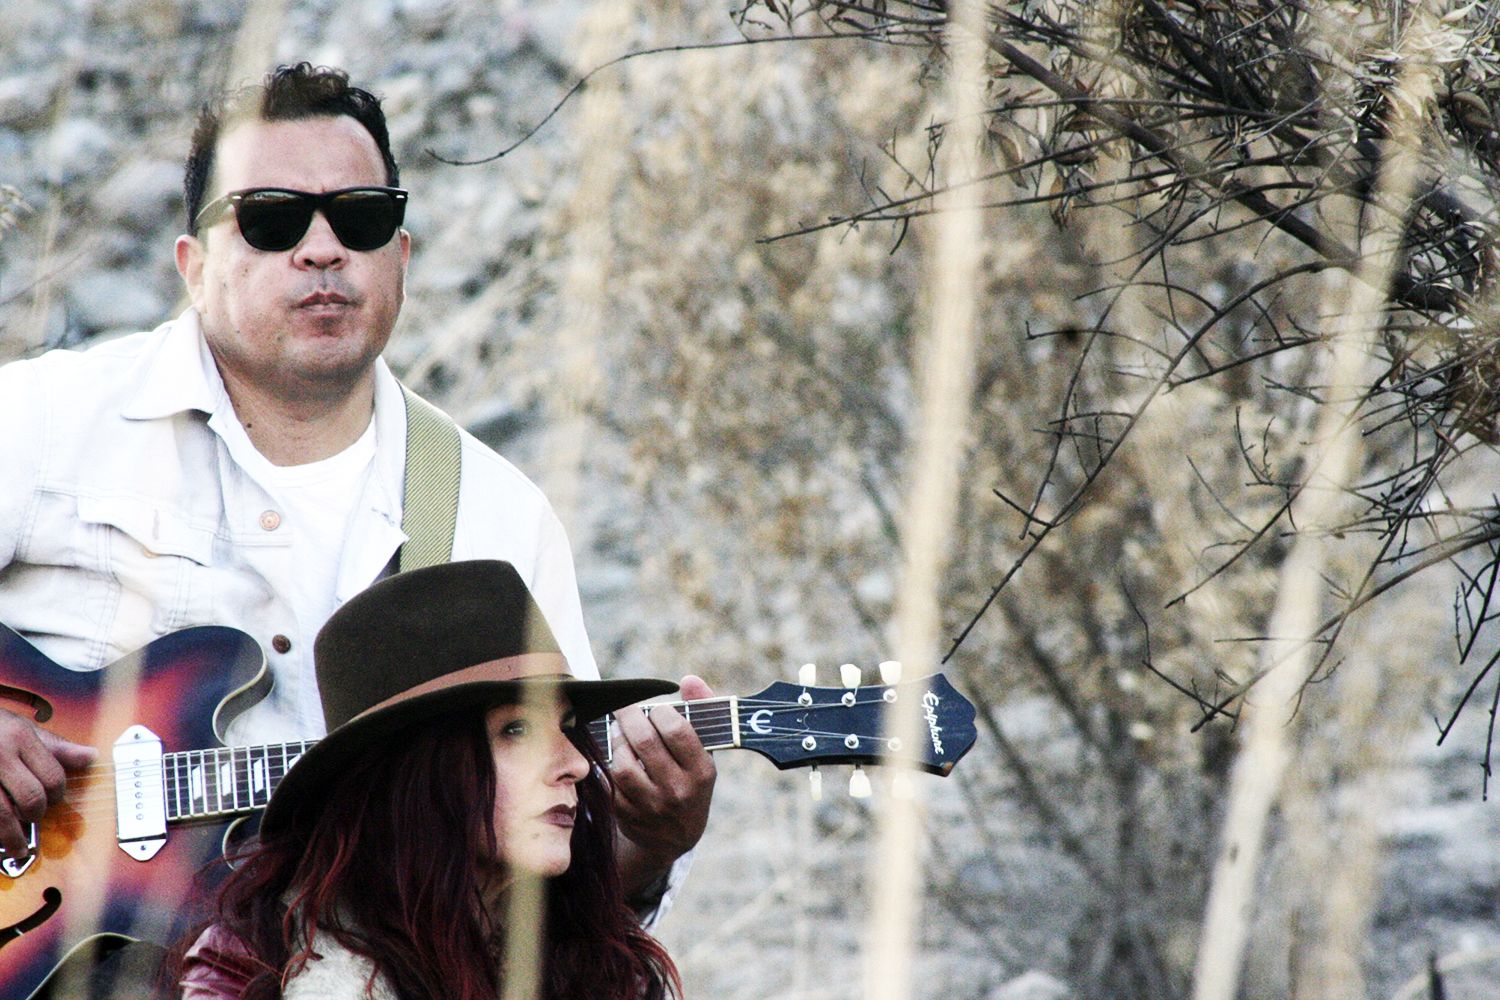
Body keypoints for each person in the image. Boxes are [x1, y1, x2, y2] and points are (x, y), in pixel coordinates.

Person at [0, 62, 713, 919]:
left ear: (400, 257)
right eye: (271, 219)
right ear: (194, 265)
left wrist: (651, 844)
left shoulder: (493, 516)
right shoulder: (44, 419)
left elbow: (545, 885)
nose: (322, 248)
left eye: (361, 217)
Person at [175, 559, 683, 1000]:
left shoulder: (596, 966)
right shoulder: (255, 964)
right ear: (414, 770)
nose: (576, 764)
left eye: (567, 727)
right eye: (517, 730)